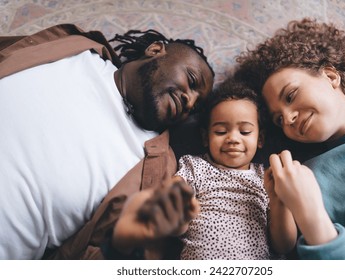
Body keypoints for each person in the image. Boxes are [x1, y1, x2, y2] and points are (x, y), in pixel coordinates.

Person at [0, 24, 214, 259]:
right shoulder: (75, 49)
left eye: (196, 106)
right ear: (154, 50)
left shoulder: (150, 167)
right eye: (191, 81)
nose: (190, 101)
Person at [234, 18, 345, 259]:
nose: (288, 118)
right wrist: (311, 216)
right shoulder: (307, 180)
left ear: (330, 76)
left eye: (291, 95)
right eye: (278, 120)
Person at [169, 79, 297, 259]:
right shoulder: (195, 167)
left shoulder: (267, 177)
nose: (233, 139)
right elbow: (170, 202)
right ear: (206, 138)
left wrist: (278, 200)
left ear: (260, 139)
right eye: (221, 132)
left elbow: (284, 245)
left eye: (245, 132)